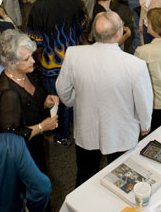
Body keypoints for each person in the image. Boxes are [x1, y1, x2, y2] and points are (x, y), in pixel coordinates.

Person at [56, 11, 153, 186]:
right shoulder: (135, 65)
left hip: (86, 130)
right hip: (122, 133)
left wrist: (73, 102)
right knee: (123, 179)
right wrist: (145, 124)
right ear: (118, 33)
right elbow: (143, 101)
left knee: (85, 175)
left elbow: (62, 89)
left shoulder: (73, 54)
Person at [0, 30, 58, 212]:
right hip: (22, 150)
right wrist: (42, 126)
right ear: (11, 64)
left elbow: (33, 101)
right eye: (27, 58)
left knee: (40, 177)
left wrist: (44, 102)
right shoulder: (8, 94)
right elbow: (11, 133)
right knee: (30, 185)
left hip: (34, 144)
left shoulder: (25, 74)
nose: (33, 61)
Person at [27, 0, 85, 146]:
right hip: (75, 59)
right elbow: (83, 26)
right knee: (78, 94)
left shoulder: (38, 8)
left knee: (55, 100)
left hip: (51, 66)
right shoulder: (73, 1)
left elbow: (35, 40)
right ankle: (79, 125)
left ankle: (61, 134)